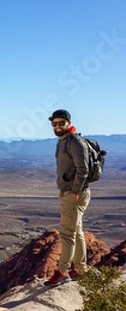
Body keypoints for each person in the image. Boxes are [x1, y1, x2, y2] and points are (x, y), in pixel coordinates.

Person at [44, 109, 91, 288]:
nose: (57, 127)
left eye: (60, 123)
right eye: (54, 124)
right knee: (76, 230)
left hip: (74, 193)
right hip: (69, 191)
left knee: (66, 233)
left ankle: (63, 272)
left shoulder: (75, 142)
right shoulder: (63, 141)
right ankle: (80, 269)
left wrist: (75, 191)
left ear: (68, 123)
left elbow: (83, 169)